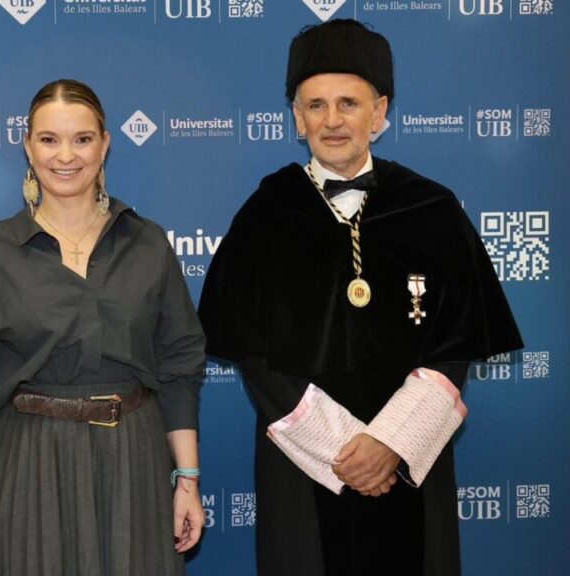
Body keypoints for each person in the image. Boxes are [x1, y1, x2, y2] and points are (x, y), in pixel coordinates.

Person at [198, 19, 522, 576]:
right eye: (316, 104)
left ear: (381, 111)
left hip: (411, 463)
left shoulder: (433, 210)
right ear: (297, 117)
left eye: (349, 102)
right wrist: (346, 450)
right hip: (305, 468)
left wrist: (390, 445)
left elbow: (455, 344)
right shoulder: (266, 214)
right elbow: (255, 356)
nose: (332, 120)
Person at [0, 79, 206, 576]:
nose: (66, 155)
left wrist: (187, 478)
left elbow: (180, 366)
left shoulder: (148, 244)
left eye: (82, 139)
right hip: (28, 460)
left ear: (105, 145)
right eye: (49, 139)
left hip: (135, 459)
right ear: (27, 146)